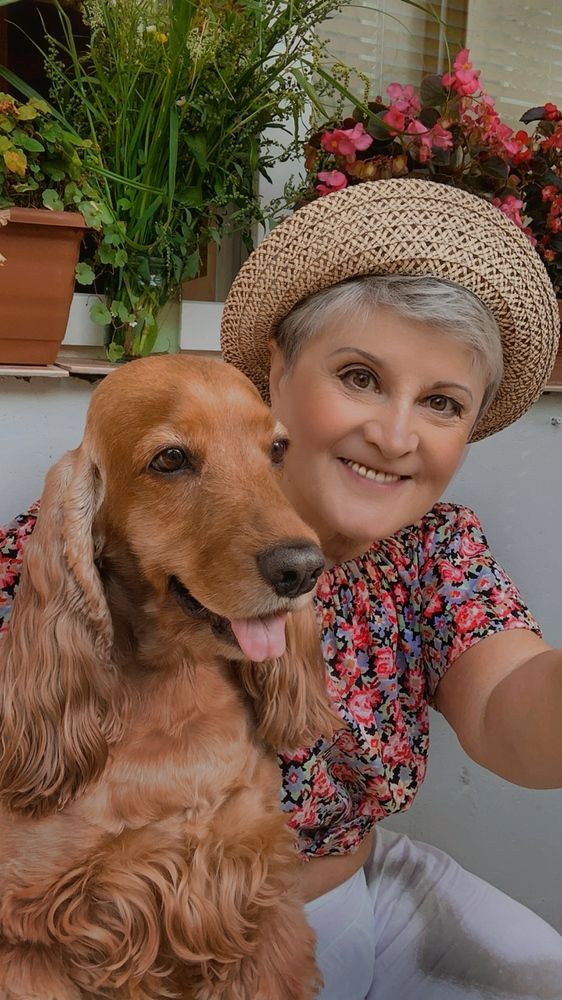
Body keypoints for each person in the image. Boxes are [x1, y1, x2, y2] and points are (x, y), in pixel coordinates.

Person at [2, 177, 562, 1000]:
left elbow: (512, 711)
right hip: (112, 935)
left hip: (342, 896)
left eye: (442, 403)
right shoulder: (75, 545)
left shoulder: (435, 549)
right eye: (361, 377)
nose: (394, 435)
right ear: (277, 367)